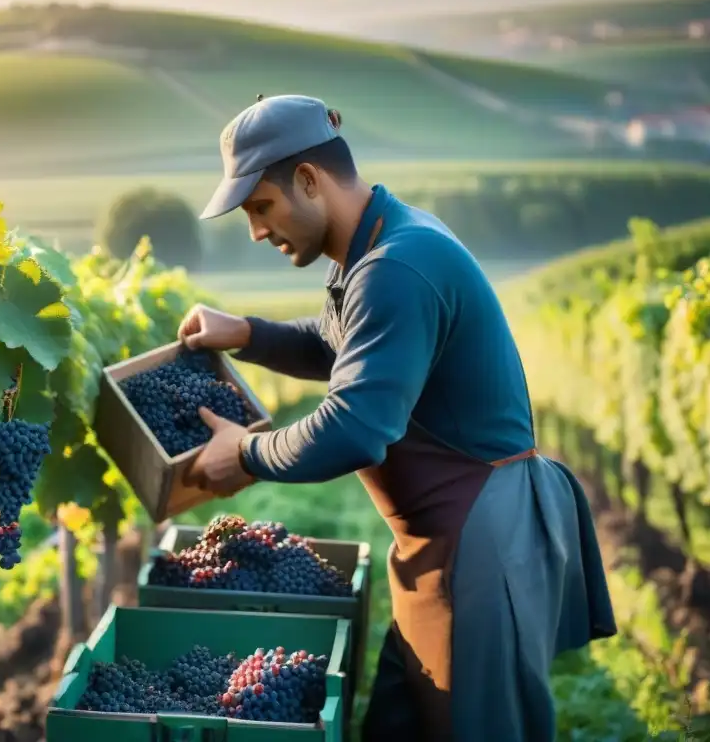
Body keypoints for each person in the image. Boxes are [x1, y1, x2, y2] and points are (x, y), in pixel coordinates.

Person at [179, 94, 617, 741]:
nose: (256, 230)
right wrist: (245, 332)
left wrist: (246, 453)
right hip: (444, 543)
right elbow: (337, 349)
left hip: (478, 543)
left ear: (308, 180)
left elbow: (355, 427)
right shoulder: (377, 246)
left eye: (261, 207)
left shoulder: (396, 267)